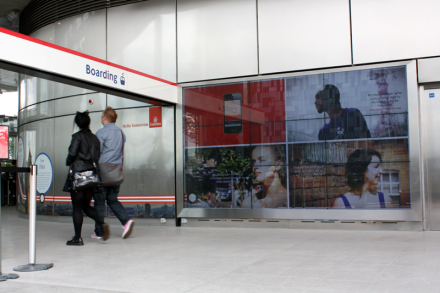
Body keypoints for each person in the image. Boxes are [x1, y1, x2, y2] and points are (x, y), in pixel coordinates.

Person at [65, 111, 110, 246]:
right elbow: (96, 157)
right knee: (85, 205)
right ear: (88, 122)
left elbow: (72, 154)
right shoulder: (95, 138)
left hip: (79, 176)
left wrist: (68, 161)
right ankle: (101, 223)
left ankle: (78, 238)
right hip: (92, 177)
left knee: (77, 207)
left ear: (78, 124)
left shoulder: (77, 137)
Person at [92, 107, 134, 240]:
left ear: (104, 118)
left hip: (103, 173)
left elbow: (96, 153)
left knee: (99, 202)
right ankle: (126, 221)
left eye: (101, 116)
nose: (100, 118)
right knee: (112, 199)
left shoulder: (101, 133)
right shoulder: (121, 133)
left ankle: (99, 232)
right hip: (116, 173)